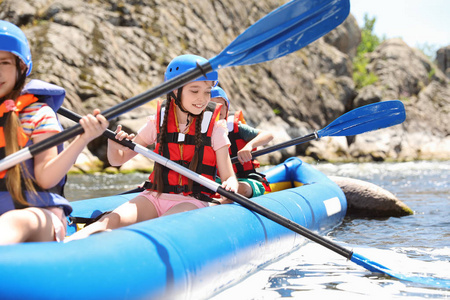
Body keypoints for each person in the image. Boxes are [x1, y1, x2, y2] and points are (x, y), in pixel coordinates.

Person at [66, 54, 238, 241]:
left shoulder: (215, 128)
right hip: (154, 196)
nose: (202, 99)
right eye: (194, 91)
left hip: (193, 200)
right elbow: (118, 160)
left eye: (207, 91)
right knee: (108, 221)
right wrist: (113, 144)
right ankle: (66, 247)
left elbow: (229, 176)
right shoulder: (159, 122)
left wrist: (231, 184)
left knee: (157, 229)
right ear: (174, 90)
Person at [0, 20, 109, 244]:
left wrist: (83, 139)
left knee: (15, 221)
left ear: (21, 67)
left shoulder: (38, 114)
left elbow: (46, 178)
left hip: (37, 215)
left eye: (3, 63)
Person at [210, 86, 273, 198]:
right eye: (212, 105)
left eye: (221, 105)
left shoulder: (235, 128)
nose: (217, 109)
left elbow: (268, 135)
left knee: (240, 189)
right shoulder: (201, 132)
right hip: (217, 181)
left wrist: (248, 147)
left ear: (227, 108)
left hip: (246, 179)